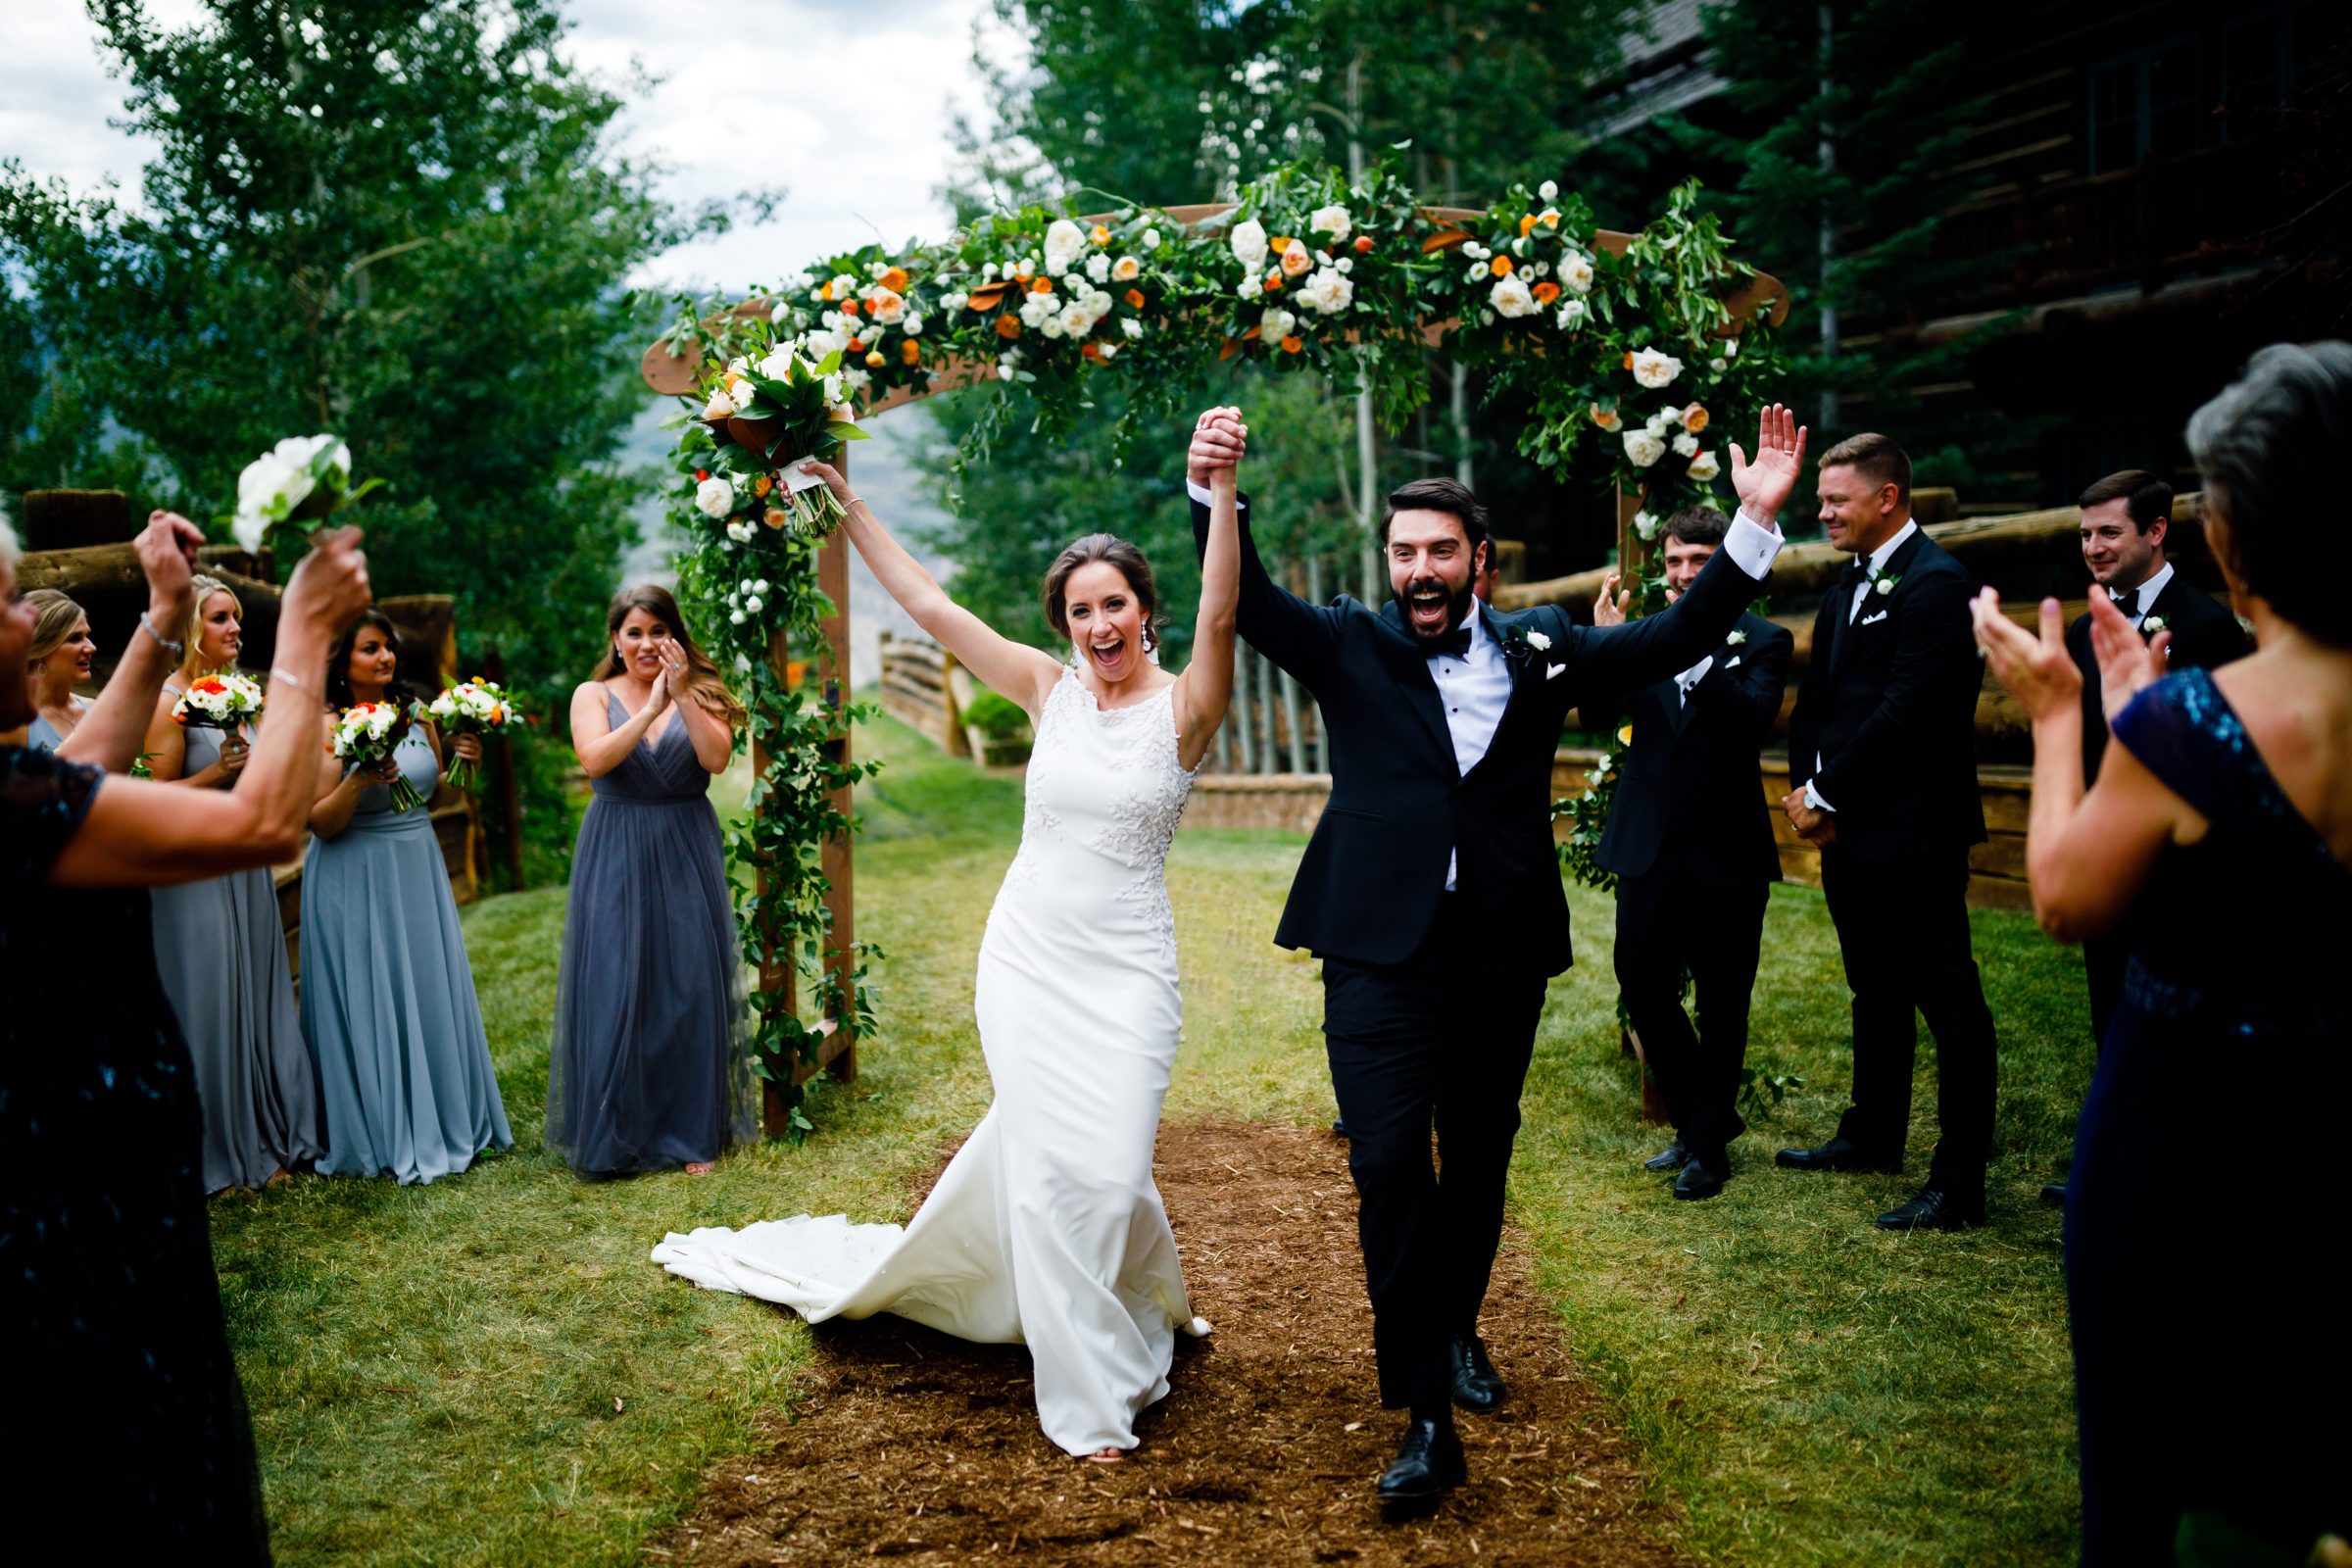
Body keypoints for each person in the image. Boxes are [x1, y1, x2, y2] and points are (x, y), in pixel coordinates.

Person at [1183, 405, 1799, 1502]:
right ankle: (1423, 1413)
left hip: (1501, 950)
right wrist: (1214, 494)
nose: (1419, 570)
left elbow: (1672, 639)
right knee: (1383, 1165)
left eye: (1439, 553)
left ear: (1480, 563)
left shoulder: (1543, 650)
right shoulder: (1347, 643)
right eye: (1403, 552)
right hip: (1376, 949)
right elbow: (1251, 602)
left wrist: (1753, 524)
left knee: (1477, 1160)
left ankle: (1458, 1326)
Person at [654, 417, 1241, 1462]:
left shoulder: (1186, 710)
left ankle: (1131, 1296)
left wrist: (1221, 494)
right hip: (1026, 961)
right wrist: (852, 509)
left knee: (1104, 1176)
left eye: (1115, 605)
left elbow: (1226, 612)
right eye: (1079, 609)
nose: (1099, 624)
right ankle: (1088, 1397)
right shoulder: (1044, 688)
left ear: (1147, 611)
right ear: (1062, 624)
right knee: (1056, 1171)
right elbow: (927, 606)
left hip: (1129, 973)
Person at [1973, 342, 2351, 1568]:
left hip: (2181, 1148)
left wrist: (2066, 717)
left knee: (2142, 1477)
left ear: (2239, 531)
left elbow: (2068, 899)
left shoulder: (2199, 720)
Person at [2, 508, 371, 1559]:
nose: (24, 614)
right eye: (2, 603)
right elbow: (258, 825)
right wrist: (301, 633)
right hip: (67, 1209)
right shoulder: (8, 810)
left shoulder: (26, 783)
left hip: (101, 1180)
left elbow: (88, 757)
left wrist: (163, 615)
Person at [1776, 433, 2000, 1232]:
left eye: (1836, 498)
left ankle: (1960, 1179)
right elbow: (1820, 702)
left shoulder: (1938, 585)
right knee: (1873, 988)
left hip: (1915, 833)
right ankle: (1873, 1135)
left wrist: (1828, 792)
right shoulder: (1846, 587)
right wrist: (1808, 793)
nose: (1823, 510)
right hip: (1850, 833)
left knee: (1949, 1002)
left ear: (1887, 498)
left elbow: (1907, 712)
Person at [2041, 470, 2251, 1206]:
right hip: (2109, 851)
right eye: (2085, 534)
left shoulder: (2207, 629)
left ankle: (2186, 1170)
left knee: (2181, 1022)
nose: (2092, 548)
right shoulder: (2080, 631)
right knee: (2112, 1012)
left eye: (2109, 533)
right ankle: (2116, 1160)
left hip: (2182, 864)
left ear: (2156, 531)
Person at [1585, 508, 1792, 1200]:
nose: (1682, 574)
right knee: (1642, 985)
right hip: (1646, 846)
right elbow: (1598, 717)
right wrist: (1610, 648)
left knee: (1724, 1001)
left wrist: (1696, 652)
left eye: (1698, 561)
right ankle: (1702, 1120)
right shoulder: (1643, 638)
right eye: (1673, 561)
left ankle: (1704, 1146)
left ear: (1725, 563)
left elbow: (1752, 721)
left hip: (1725, 854)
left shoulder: (1765, 640)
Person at [548, 584, 754, 1178]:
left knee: (688, 985)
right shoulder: (593, 694)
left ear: (675, 637)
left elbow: (715, 760)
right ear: (615, 639)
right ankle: (618, 1131)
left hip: (686, 843)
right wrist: (646, 708)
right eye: (633, 632)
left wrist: (682, 693)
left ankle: (691, 1134)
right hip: (616, 845)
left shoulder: (707, 692)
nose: (645, 643)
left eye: (658, 631)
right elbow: (595, 760)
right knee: (617, 982)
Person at [301, 610, 512, 1184]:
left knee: (423, 985)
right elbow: (319, 822)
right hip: (353, 869)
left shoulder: (417, 711)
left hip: (415, 862)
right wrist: (358, 777)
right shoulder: (322, 724)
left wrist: (469, 764)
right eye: (370, 648)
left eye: (388, 646)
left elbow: (436, 789)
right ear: (343, 661)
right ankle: (377, 1129)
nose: (385, 657)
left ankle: (444, 1115)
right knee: (372, 991)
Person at [141, 573, 323, 1195]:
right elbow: (154, 798)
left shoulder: (243, 693)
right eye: (221, 618)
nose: (236, 628)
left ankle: (273, 1138)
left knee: (259, 994)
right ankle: (218, 1154)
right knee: (212, 1002)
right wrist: (218, 770)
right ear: (191, 626)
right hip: (193, 869)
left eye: (238, 617)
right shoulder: (167, 698)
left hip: (243, 863)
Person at [23, 589, 95, 750]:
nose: (91, 647)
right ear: (41, 648)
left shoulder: (96, 711)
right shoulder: (15, 723)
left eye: (87, 636)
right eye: (74, 638)